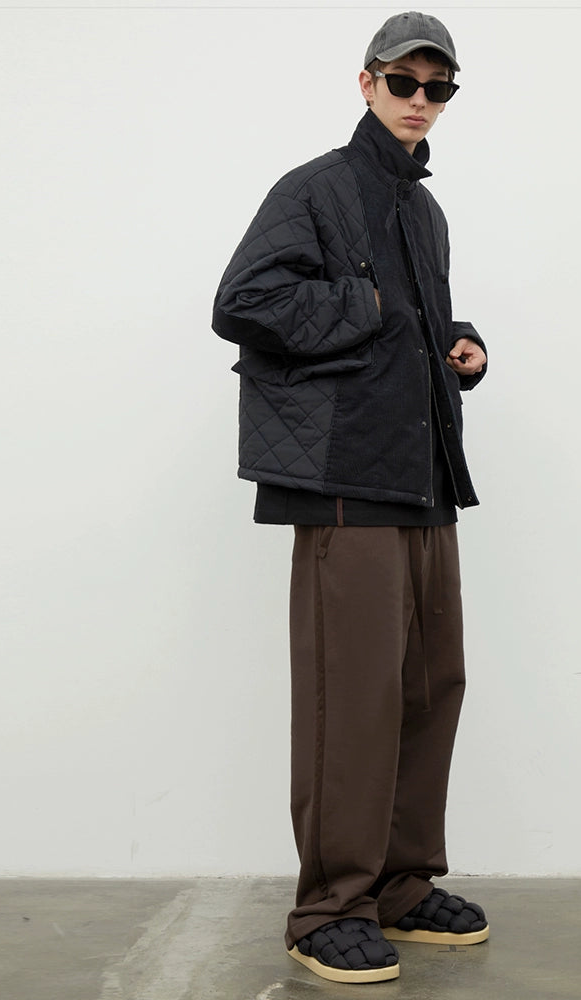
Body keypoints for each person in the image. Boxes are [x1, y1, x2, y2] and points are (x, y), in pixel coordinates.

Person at [212, 10, 489, 985]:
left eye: (437, 88)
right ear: (366, 83)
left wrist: (457, 346)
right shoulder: (317, 188)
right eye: (403, 82)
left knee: (430, 687)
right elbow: (243, 302)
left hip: (423, 478)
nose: (420, 100)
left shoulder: (424, 211)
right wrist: (363, 305)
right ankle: (329, 906)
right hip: (346, 483)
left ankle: (401, 885)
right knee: (355, 697)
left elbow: (411, 324)